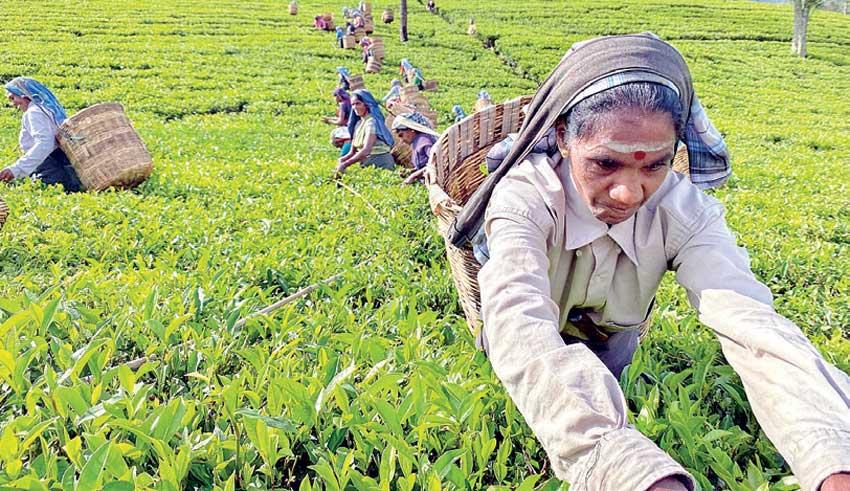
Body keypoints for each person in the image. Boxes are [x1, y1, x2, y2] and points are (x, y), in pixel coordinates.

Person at [450, 33, 850, 491]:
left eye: (654, 166)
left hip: (612, 339)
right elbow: (518, 317)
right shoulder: (525, 197)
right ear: (562, 137)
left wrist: (834, 455)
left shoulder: (685, 212)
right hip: (538, 330)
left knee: (606, 386)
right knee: (535, 416)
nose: (628, 193)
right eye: (604, 163)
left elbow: (751, 321)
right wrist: (627, 469)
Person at [1, 77, 81, 192]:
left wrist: (16, 169)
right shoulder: (44, 109)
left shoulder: (34, 113)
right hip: (57, 163)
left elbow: (44, 144)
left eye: (12, 98)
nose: (12, 103)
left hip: (50, 167)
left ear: (23, 95)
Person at [335, 89, 395, 175]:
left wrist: (345, 164)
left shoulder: (371, 122)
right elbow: (352, 152)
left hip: (380, 162)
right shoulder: (359, 123)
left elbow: (366, 150)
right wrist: (342, 160)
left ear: (367, 105)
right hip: (366, 162)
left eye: (358, 103)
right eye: (353, 104)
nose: (355, 107)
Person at [391, 112, 439, 185]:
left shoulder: (424, 141)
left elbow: (436, 162)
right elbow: (424, 165)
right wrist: (411, 172)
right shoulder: (416, 142)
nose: (402, 140)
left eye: (401, 135)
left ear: (411, 130)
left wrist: (413, 177)